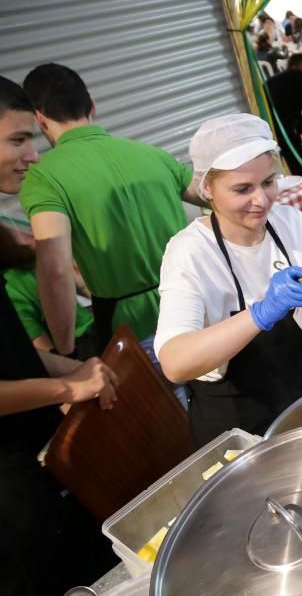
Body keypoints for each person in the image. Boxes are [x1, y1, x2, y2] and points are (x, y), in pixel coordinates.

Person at [154, 114, 302, 446]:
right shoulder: (189, 253)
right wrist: (260, 313)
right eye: (242, 189)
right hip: (238, 426)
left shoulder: (291, 223)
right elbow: (175, 363)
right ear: (207, 188)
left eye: (268, 182)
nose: (261, 200)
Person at [0, 75, 120, 595]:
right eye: (16, 140)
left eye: (32, 137)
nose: (33, 155)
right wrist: (68, 387)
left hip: (38, 466)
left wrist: (73, 369)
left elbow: (11, 357)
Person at [20, 63, 202, 356]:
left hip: (133, 331)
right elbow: (216, 194)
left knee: (166, 403)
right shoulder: (152, 154)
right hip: (198, 305)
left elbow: (55, 269)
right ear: (92, 106)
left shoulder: (42, 177)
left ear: (39, 120)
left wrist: (65, 348)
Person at [265, 52, 302, 165]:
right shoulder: (301, 77)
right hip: (289, 124)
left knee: (287, 159)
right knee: (297, 158)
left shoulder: (272, 80)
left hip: (271, 126)